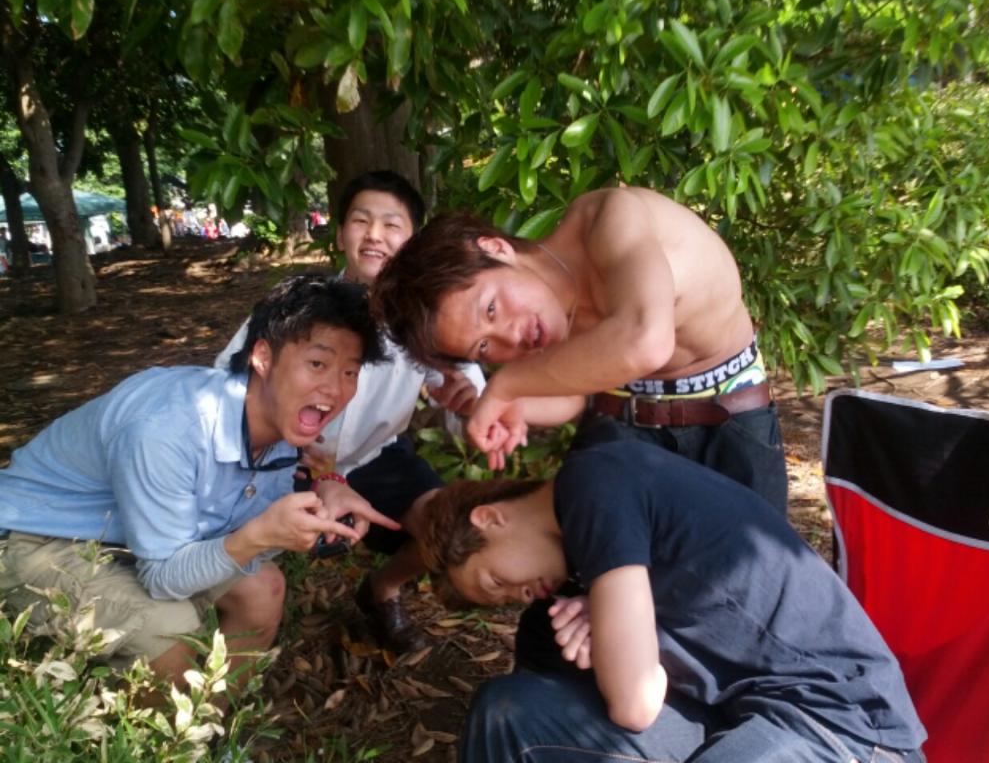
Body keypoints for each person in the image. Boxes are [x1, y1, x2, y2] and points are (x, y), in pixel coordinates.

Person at [0, 274, 399, 691]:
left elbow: (243, 531)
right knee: (169, 628)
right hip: (33, 539)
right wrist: (260, 535)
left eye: (350, 372)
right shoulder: (168, 429)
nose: (334, 388)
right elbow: (166, 577)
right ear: (263, 356)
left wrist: (322, 493)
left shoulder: (279, 426)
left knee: (262, 590)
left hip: (123, 537)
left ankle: (214, 724)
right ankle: (166, 731)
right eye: (317, 364)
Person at [420, 440, 928, 763]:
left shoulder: (593, 484)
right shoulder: (577, 573)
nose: (517, 596)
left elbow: (637, 705)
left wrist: (620, 645)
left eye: (496, 581)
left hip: (839, 724)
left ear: (490, 518)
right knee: (507, 711)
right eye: (503, 600)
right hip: (730, 716)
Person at [372, 187, 787, 513]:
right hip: (623, 423)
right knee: (603, 572)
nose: (510, 338)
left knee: (755, 575)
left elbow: (646, 341)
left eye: (492, 308)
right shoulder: (543, 325)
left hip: (730, 417)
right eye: (484, 346)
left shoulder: (610, 219)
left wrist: (507, 386)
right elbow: (574, 397)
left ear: (494, 248)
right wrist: (510, 407)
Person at [216, 170, 486, 652]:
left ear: (413, 241)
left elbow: (469, 405)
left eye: (392, 225)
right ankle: (220, 606)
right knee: (242, 554)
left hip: (374, 457)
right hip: (285, 455)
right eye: (361, 221)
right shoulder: (298, 302)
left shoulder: (430, 319)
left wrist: (469, 405)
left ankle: (382, 589)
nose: (375, 235)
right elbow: (227, 379)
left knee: (451, 528)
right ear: (341, 234)